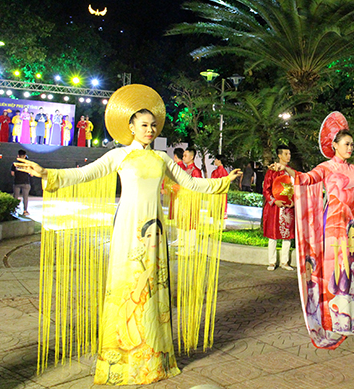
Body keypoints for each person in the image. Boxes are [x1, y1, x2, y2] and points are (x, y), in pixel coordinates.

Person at [13, 84, 242, 385]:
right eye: (144, 125)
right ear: (130, 127)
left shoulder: (162, 160)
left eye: (153, 125)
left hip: (155, 230)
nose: (150, 129)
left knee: (153, 287)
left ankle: (153, 357)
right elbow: (84, 174)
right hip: (128, 228)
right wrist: (47, 174)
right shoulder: (120, 156)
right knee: (128, 287)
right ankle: (123, 354)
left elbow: (192, 184)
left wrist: (223, 181)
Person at [270, 112, 354, 349]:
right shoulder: (326, 167)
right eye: (346, 144)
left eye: (352, 144)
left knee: (352, 270)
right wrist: (287, 171)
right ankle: (335, 319)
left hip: (352, 226)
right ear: (334, 145)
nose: (350, 147)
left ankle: (352, 318)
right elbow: (306, 179)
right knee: (337, 270)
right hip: (334, 224)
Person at [262, 145, 295, 271]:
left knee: (287, 235)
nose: (288, 156)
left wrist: (293, 201)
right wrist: (274, 201)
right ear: (279, 155)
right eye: (286, 154)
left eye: (289, 154)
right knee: (273, 234)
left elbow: (296, 187)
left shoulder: (290, 171)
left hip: (288, 208)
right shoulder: (272, 171)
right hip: (275, 208)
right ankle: (272, 261)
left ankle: (284, 262)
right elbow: (266, 190)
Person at [11, 150, 32, 216]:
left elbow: (12, 173)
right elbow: (32, 174)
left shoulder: (15, 164)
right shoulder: (28, 164)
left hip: (17, 182)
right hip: (26, 183)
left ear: (18, 156)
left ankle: (14, 209)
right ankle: (25, 211)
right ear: (25, 156)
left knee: (15, 197)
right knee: (25, 197)